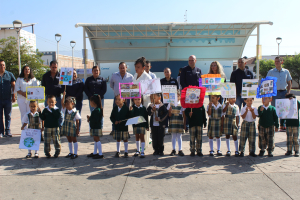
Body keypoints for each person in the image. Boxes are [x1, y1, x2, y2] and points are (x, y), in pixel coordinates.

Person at [266, 57, 292, 131]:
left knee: (283, 109)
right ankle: (275, 124)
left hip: (284, 92)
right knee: (274, 109)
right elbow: (267, 83)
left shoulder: (286, 71)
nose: (276, 62)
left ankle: (282, 125)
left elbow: (289, 82)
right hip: (274, 93)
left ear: (282, 62)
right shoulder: (271, 72)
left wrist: (288, 92)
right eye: (275, 61)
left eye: (278, 61)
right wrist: (270, 94)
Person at [110, 62, 133, 132]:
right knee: (115, 113)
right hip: (117, 98)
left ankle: (124, 129)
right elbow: (111, 85)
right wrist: (117, 93)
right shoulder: (114, 75)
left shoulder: (130, 77)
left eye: (123, 67)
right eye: (121, 68)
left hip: (126, 99)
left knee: (125, 114)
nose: (122, 69)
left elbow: (132, 87)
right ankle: (114, 129)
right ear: (119, 68)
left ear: (126, 68)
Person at [61, 93, 81, 159]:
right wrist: (64, 95)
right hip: (66, 126)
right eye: (65, 104)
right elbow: (62, 103)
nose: (66, 105)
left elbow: (77, 121)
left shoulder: (75, 111)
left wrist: (78, 129)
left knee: (74, 139)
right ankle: (71, 152)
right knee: (69, 139)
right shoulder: (65, 110)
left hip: (72, 127)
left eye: (67, 104)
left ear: (72, 104)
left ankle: (75, 153)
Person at [0, 59, 16, 138]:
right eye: (0, 65)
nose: (2, 66)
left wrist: (13, 96)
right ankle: (1, 132)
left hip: (7, 99)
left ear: (5, 66)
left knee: (8, 115)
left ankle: (8, 131)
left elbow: (13, 86)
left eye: (3, 65)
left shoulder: (9, 75)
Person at [160, 68, 179, 133]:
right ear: (164, 73)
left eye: (167, 72)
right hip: (164, 100)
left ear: (170, 72)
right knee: (165, 113)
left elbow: (177, 90)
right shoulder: (161, 81)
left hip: (172, 100)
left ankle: (171, 127)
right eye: (165, 72)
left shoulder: (174, 80)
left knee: (172, 112)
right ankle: (166, 127)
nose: (166, 73)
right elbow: (159, 91)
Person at [167, 90, 185, 156]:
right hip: (173, 120)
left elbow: (184, 114)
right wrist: (169, 111)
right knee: (173, 136)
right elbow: (169, 115)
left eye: (177, 96)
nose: (176, 97)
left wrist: (184, 124)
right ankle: (173, 149)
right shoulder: (170, 104)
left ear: (179, 97)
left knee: (179, 136)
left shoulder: (182, 104)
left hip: (179, 121)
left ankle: (180, 149)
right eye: (174, 96)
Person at [87, 95, 104, 159]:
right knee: (95, 139)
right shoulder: (95, 109)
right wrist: (90, 118)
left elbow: (96, 119)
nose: (90, 103)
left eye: (90, 101)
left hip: (96, 127)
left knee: (97, 139)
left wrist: (90, 119)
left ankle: (100, 153)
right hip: (94, 127)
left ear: (93, 102)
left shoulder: (97, 110)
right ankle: (95, 152)